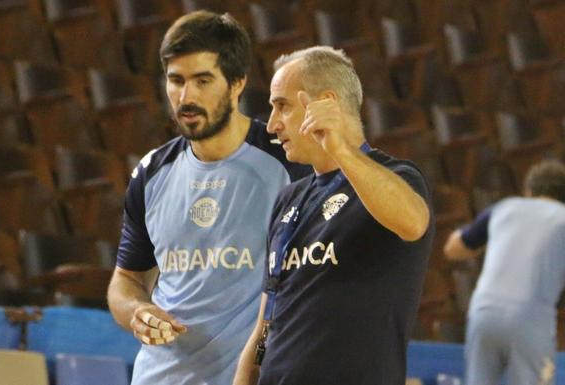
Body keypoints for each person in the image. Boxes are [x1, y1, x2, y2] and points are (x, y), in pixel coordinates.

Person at [107, 11, 310, 385]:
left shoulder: (290, 164)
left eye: (203, 80)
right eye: (176, 80)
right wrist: (137, 311)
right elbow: (125, 280)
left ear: (237, 83)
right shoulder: (151, 173)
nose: (186, 97)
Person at [233, 46, 434, 385]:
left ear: (325, 103)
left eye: (282, 106)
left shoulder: (398, 176)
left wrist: (341, 150)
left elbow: (414, 222)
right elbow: (267, 325)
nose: (271, 125)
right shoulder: (289, 199)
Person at [444, 160, 565, 385]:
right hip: (530, 317)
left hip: (483, 312)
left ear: (528, 190)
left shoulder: (504, 208)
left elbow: (453, 248)